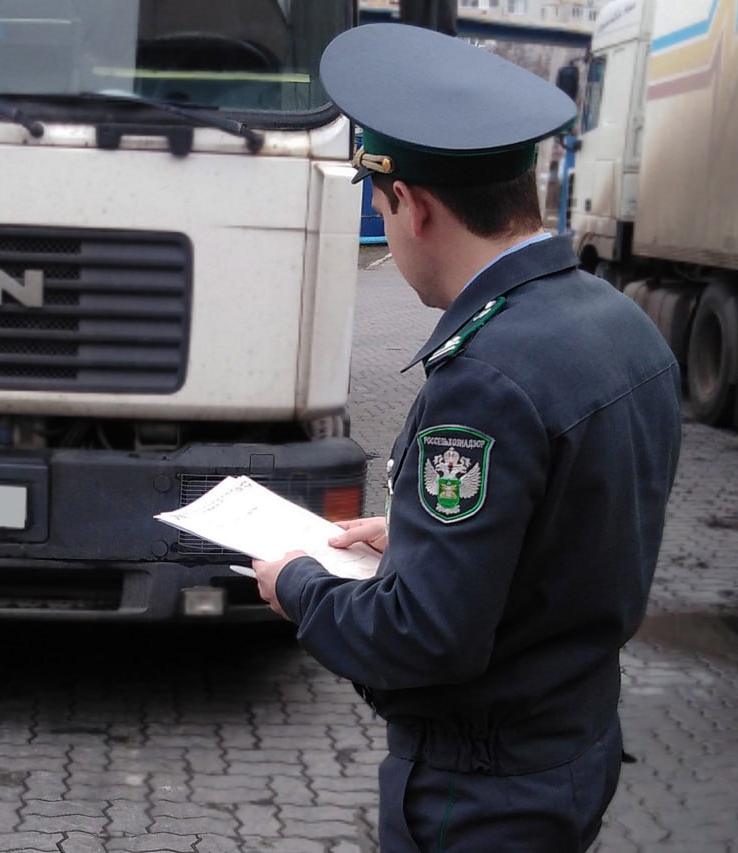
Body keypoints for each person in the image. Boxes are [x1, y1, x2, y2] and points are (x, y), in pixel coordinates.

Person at [253, 24, 682, 851]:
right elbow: (572, 529)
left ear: (411, 207)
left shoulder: (484, 378)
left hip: (483, 793)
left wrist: (298, 583)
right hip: (571, 747)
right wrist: (421, 538)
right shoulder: (621, 323)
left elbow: (424, 636)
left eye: (382, 204)